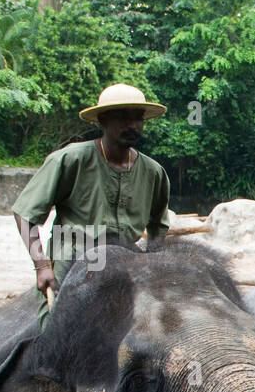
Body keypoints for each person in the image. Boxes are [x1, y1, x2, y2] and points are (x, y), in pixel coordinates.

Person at [12, 83, 173, 331]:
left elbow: (158, 230)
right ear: (102, 120)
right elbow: (25, 213)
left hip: (126, 264)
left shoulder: (154, 173)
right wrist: (42, 267)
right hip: (72, 262)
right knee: (54, 335)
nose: (132, 125)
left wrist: (153, 269)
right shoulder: (70, 160)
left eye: (138, 118)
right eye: (122, 116)